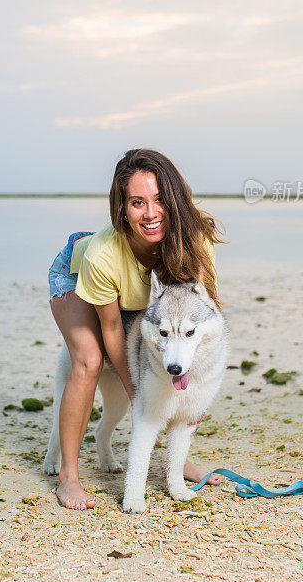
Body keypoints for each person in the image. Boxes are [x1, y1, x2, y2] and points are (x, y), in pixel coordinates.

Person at [47, 148, 224, 510]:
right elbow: (113, 330)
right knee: (89, 360)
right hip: (76, 271)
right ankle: (69, 477)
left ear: (174, 199)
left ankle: (177, 462)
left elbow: (203, 314)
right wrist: (137, 394)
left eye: (160, 199)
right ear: (122, 208)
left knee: (180, 355)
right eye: (137, 202)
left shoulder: (195, 239)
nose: (151, 213)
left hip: (143, 286)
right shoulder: (101, 255)